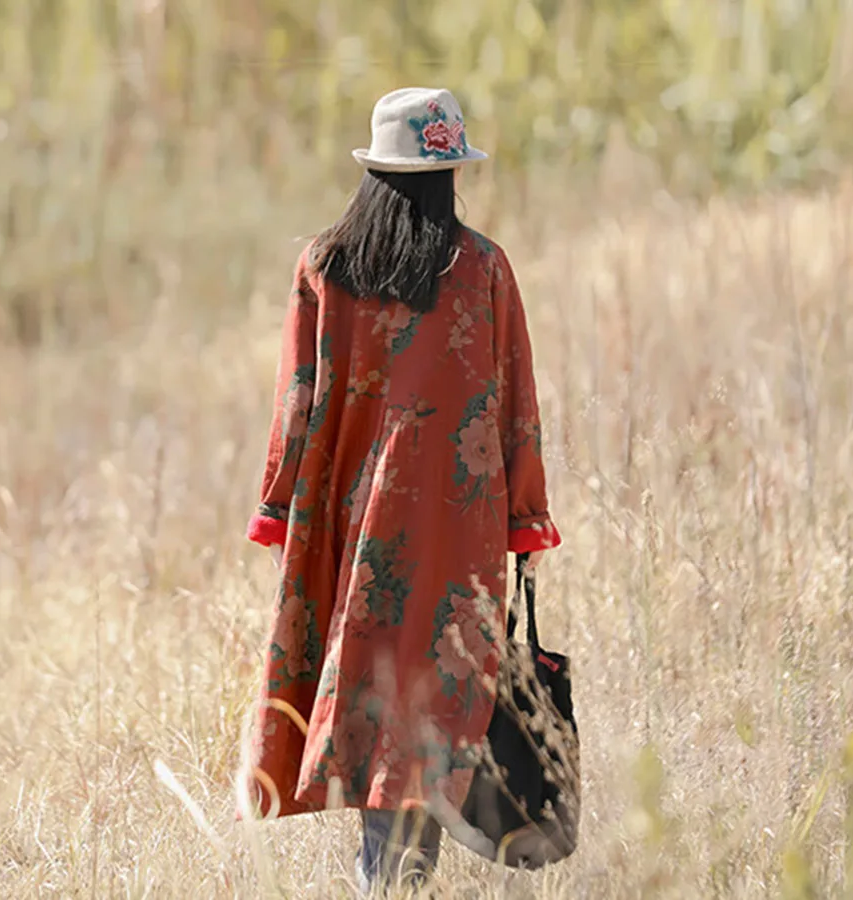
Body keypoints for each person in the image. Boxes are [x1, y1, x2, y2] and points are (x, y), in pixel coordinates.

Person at [238, 87, 560, 895]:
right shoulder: (482, 266)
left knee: (369, 696)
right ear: (447, 171)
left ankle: (384, 880)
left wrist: (282, 510)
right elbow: (516, 403)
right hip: (460, 534)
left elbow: (298, 400)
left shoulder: (324, 266)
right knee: (431, 712)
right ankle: (397, 881)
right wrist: (525, 520)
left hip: (352, 530)